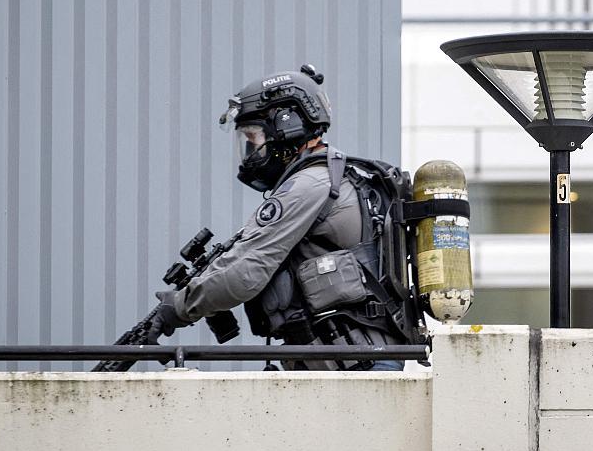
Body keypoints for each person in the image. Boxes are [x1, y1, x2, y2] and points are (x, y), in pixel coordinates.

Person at [146, 64, 413, 370]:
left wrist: (177, 307)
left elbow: (245, 271)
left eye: (253, 137)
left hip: (355, 369)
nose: (249, 150)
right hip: (356, 364)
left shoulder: (308, 185)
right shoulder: (328, 179)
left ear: (287, 126)